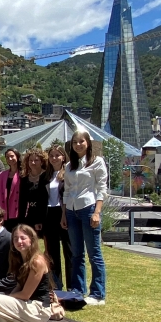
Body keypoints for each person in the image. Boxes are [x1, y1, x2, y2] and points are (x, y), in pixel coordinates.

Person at [61, 130, 108, 305]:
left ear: (88, 143)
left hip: (88, 208)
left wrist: (97, 212)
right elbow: (66, 192)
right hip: (72, 211)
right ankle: (78, 289)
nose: (78, 145)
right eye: (75, 142)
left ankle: (98, 293)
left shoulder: (96, 162)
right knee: (76, 254)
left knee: (94, 253)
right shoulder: (69, 166)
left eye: (81, 141)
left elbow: (102, 189)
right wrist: (64, 214)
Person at [43, 144, 72, 290]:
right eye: (52, 155)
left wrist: (64, 215)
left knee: (69, 251)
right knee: (52, 253)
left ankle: (72, 287)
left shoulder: (67, 173)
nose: (54, 158)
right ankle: (56, 286)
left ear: (63, 157)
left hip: (63, 212)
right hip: (49, 214)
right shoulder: (46, 175)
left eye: (57, 155)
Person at [18, 148, 49, 234]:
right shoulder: (24, 178)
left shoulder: (47, 176)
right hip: (31, 213)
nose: (33, 163)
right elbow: (22, 200)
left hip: (45, 213)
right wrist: (21, 219)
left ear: (42, 161)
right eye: (30, 160)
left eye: (36, 160)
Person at [0, 148, 21, 232]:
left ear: (17, 156)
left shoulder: (23, 173)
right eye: (7, 157)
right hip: (5, 210)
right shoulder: (2, 175)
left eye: (12, 156)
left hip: (18, 210)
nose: (10, 159)